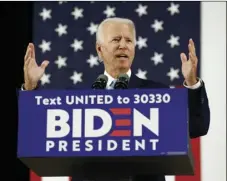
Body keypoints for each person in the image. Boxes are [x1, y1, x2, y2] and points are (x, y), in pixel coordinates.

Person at [21, 17, 210, 181]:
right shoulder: (77, 98)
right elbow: (36, 131)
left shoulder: (156, 93)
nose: (123, 45)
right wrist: (31, 89)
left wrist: (192, 83)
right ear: (99, 49)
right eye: (116, 39)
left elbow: (196, 126)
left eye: (129, 40)